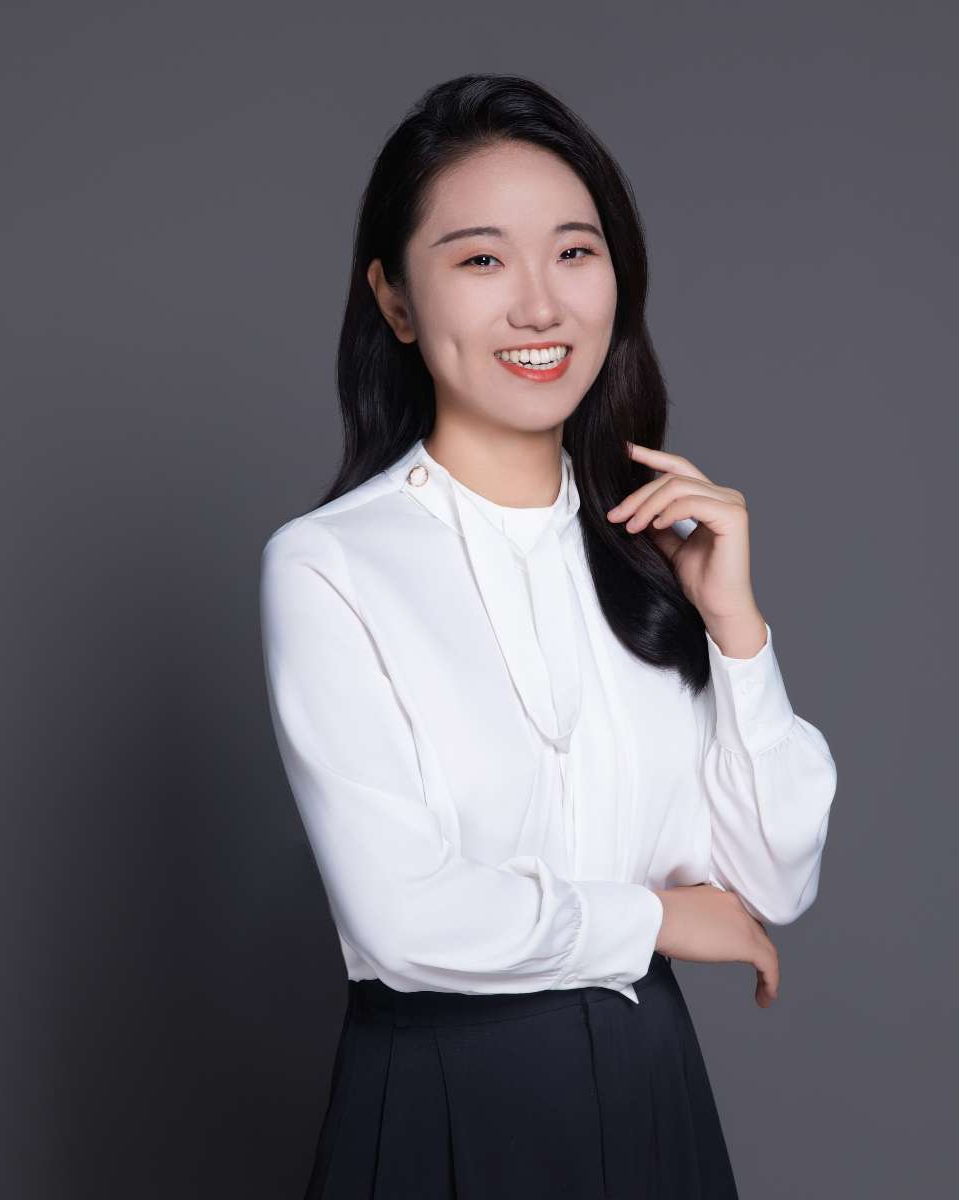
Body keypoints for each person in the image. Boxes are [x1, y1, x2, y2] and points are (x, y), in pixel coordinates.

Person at [259, 72, 838, 1200]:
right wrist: (656, 919)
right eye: (482, 260)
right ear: (394, 300)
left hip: (653, 1098)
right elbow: (403, 920)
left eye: (575, 252)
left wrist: (737, 629)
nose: (540, 306)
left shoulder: (654, 555)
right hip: (439, 1103)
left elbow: (774, 877)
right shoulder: (331, 565)